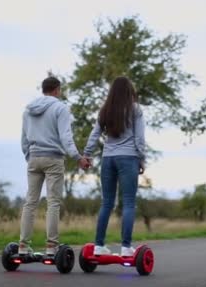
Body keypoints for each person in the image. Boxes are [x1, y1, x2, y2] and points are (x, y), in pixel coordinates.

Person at [19, 76, 90, 255]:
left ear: (43, 89)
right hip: (53, 159)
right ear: (57, 90)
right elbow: (66, 137)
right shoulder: (60, 108)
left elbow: (24, 139)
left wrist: (30, 157)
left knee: (30, 203)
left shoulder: (28, 110)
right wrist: (78, 157)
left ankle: (23, 245)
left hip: (34, 158)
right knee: (53, 203)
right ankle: (51, 246)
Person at [84, 76, 146, 257]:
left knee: (107, 203)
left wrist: (87, 154)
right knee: (128, 202)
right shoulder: (135, 109)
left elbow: (94, 134)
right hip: (128, 158)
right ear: (129, 91)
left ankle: (98, 245)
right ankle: (126, 247)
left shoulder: (105, 110)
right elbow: (139, 139)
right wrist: (141, 158)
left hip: (108, 159)